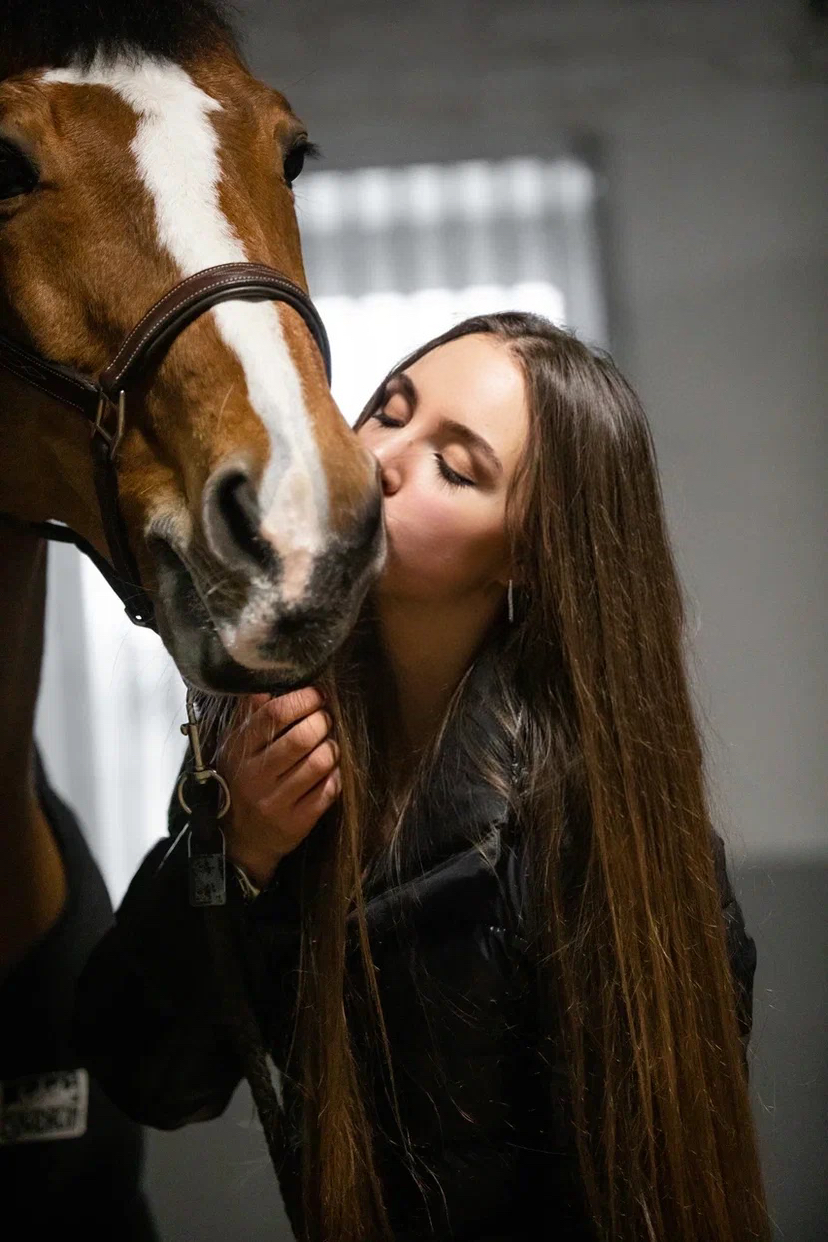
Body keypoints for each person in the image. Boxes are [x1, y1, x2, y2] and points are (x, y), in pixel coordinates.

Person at [73, 314, 769, 1242]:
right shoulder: (261, 737)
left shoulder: (592, 834)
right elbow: (150, 1078)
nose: (380, 461)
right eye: (386, 412)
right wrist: (235, 853)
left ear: (529, 553)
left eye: (456, 467)